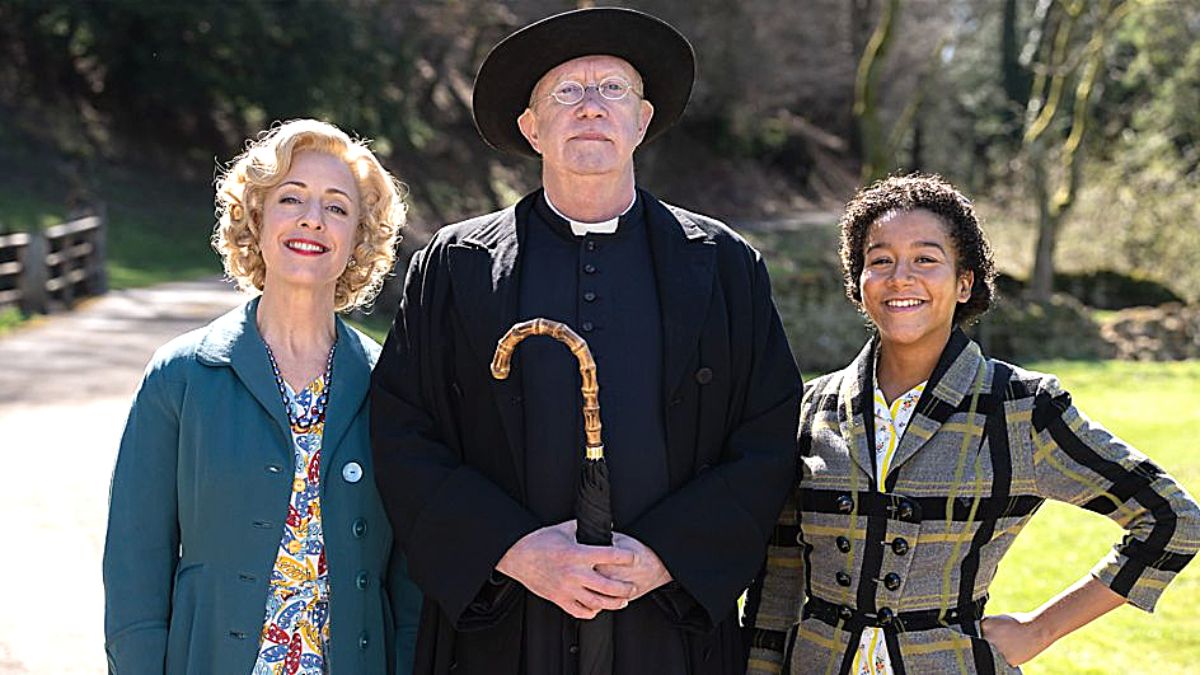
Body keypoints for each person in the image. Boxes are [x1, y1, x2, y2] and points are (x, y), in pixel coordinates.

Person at [370, 7, 802, 675]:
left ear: (643, 120)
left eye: (612, 90)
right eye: (566, 92)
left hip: (669, 626)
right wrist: (515, 550)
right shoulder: (454, 267)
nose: (591, 107)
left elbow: (768, 435)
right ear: (531, 126)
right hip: (502, 626)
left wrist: (664, 558)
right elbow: (403, 430)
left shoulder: (723, 266)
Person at [744, 174, 1200, 674]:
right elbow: (780, 580)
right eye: (880, 260)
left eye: (926, 259)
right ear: (859, 284)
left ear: (965, 282)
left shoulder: (1021, 408)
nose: (900, 277)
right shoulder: (809, 409)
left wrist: (1039, 629)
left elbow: (1172, 520)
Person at [103, 119, 421, 674]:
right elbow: (135, 572)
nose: (311, 220)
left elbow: (410, 588)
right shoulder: (181, 376)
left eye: (337, 208)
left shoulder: (390, 386)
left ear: (360, 238)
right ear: (255, 218)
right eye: (291, 198)